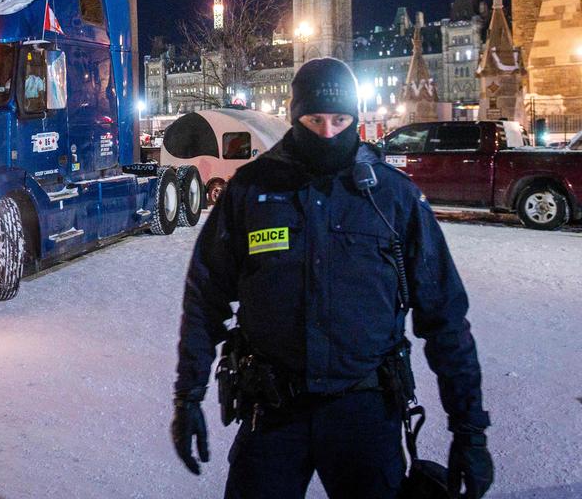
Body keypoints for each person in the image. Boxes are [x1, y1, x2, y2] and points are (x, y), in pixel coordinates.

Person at [172, 57, 492, 499]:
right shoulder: (252, 191)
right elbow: (204, 298)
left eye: (340, 119)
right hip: (274, 413)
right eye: (314, 118)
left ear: (355, 119)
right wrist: (188, 396)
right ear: (293, 115)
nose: (327, 132)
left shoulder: (392, 197)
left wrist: (470, 430)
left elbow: (446, 319)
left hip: (364, 413)